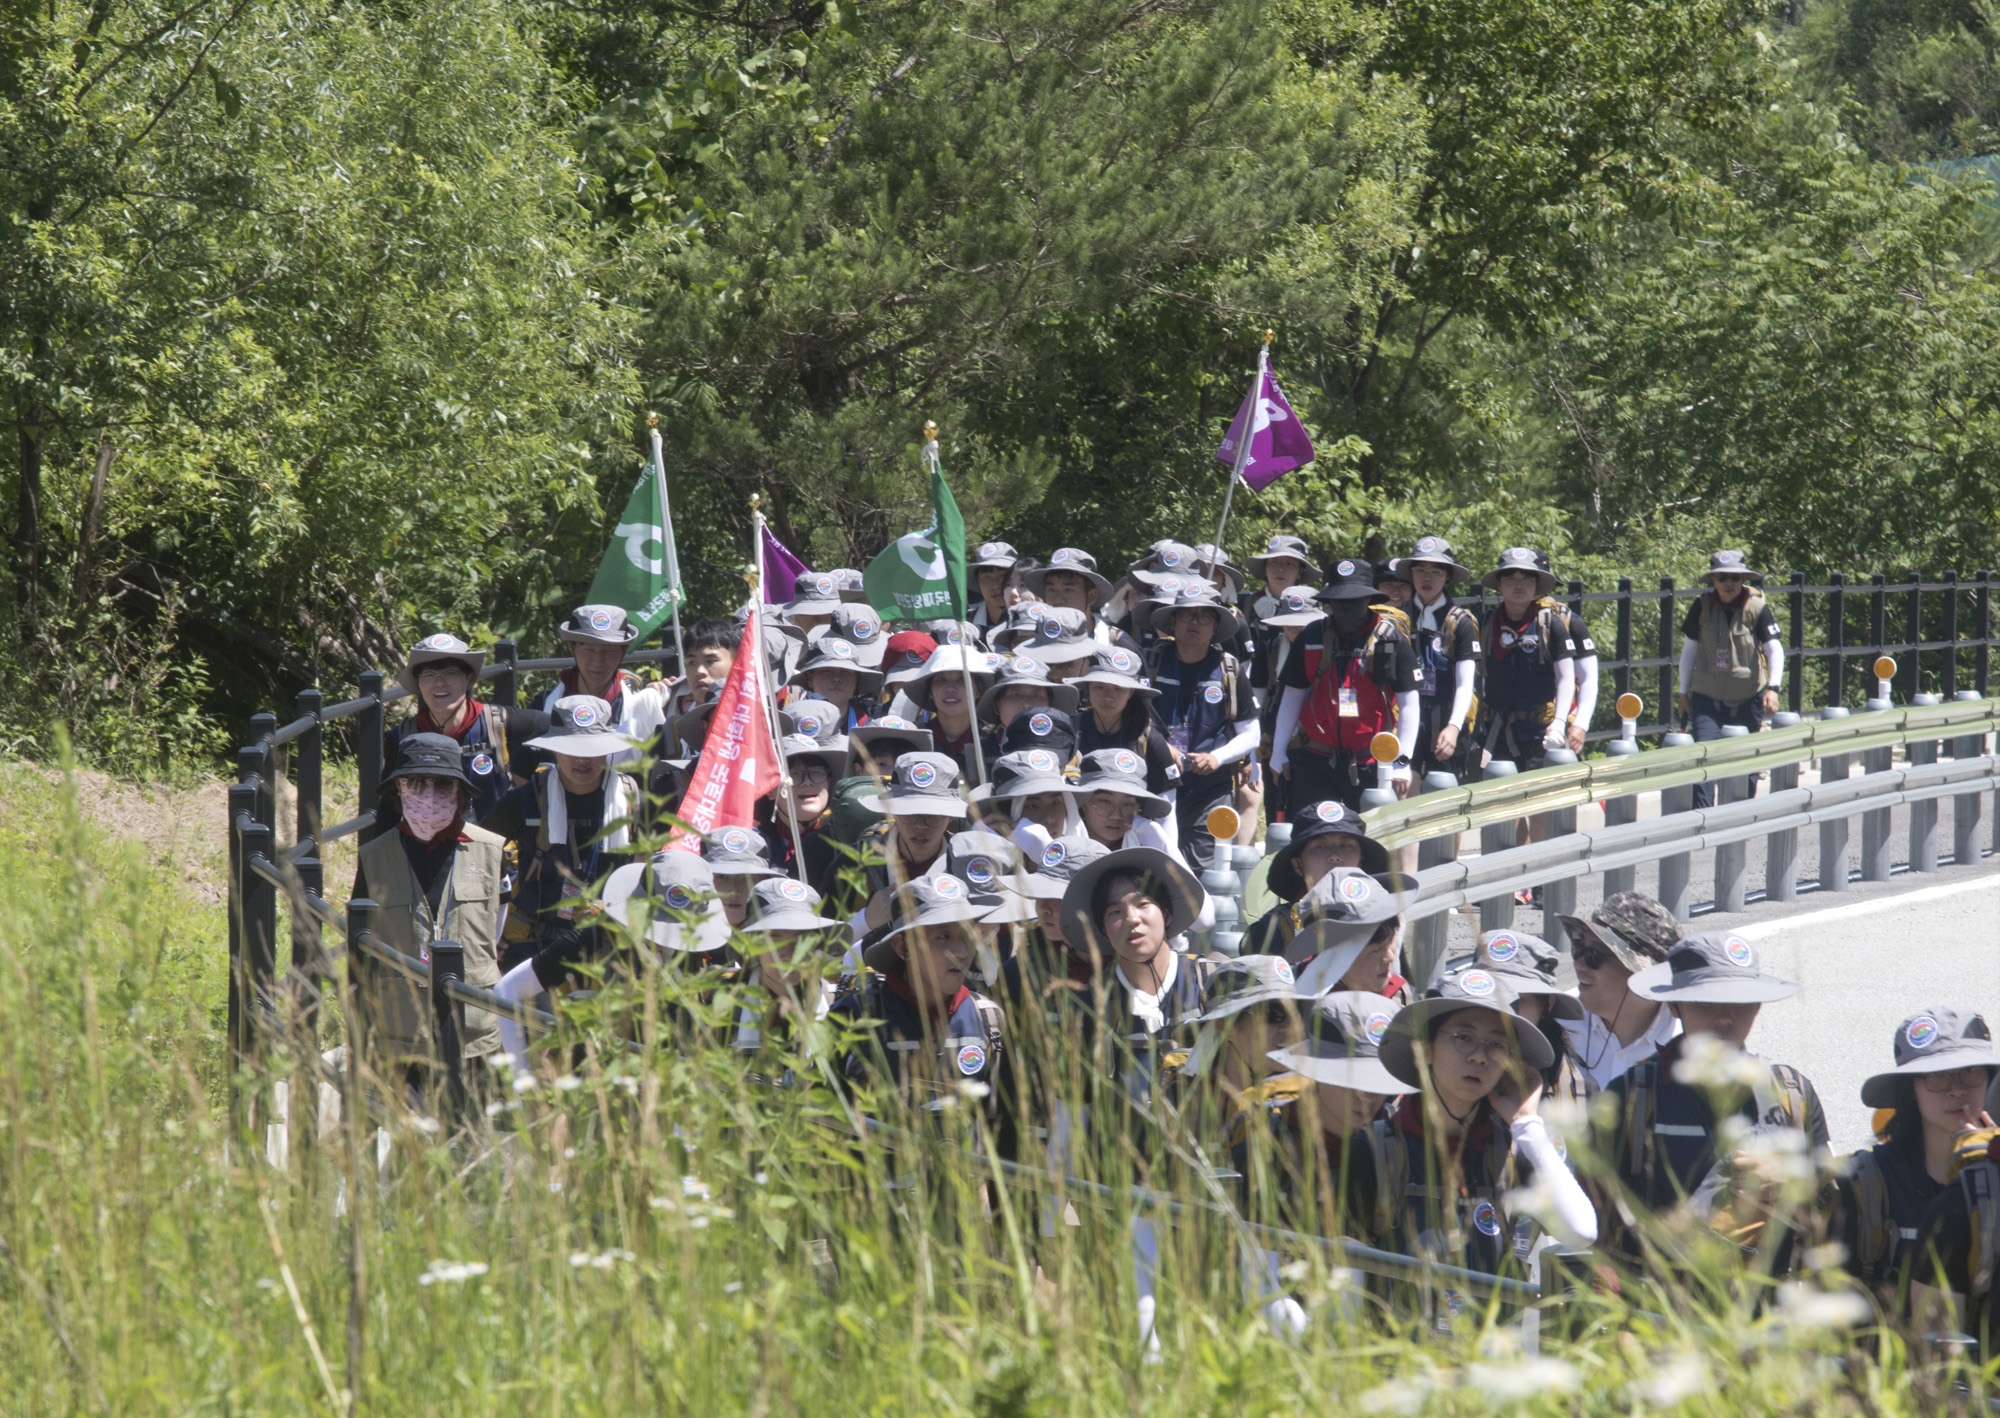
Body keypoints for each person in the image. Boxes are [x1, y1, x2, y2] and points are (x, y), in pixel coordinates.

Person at [1350, 966, 1597, 1288]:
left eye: (1496, 1045)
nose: (1480, 1057)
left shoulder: (1516, 1148)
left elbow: (1581, 1232)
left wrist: (1526, 1124)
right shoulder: (1372, 1150)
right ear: (1424, 1049)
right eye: (1463, 1038)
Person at [1593, 932, 1830, 1265]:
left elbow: (1833, 1213)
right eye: (1706, 1002)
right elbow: (1599, 1224)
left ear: (1758, 1006)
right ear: (1674, 1005)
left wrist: (1791, 1181)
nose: (1724, 1016)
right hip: (1661, 1306)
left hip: (1767, 1305)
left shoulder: (1793, 1094)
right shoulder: (1630, 1097)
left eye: (1740, 1001)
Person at [350, 733, 507, 1101]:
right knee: (409, 1142)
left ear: (461, 792)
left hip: (473, 1028)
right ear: (398, 790)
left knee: (472, 1134)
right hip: (400, 1030)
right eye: (416, 783)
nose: (429, 795)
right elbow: (359, 942)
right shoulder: (374, 856)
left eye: (442, 784)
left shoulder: (493, 851)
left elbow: (499, 929)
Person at [492, 849, 732, 1075]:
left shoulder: (704, 956)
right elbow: (507, 990)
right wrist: (521, 1081)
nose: (662, 940)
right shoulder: (598, 938)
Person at [1832, 1010, 1998, 1303]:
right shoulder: (1864, 1182)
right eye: (1937, 1075)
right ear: (1910, 1089)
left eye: (1971, 1072)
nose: (1957, 1088)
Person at [479, 696, 640, 974]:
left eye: (592, 748)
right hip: (536, 945)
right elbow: (478, 852)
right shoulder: (525, 800)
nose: (582, 758)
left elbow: (651, 871)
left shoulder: (631, 801)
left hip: (611, 946)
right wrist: (491, 927)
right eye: (571, 747)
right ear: (553, 749)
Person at [830, 874, 1005, 1113]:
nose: (962, 952)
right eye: (943, 936)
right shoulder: (854, 1019)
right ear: (903, 947)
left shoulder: (987, 1020)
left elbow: (1003, 1127)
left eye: (967, 935)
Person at [1268, 559, 1419, 814]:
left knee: (1370, 839)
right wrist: (1278, 751)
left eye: (1355, 600)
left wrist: (1402, 760)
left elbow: (1409, 703)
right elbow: (1292, 695)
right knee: (1312, 832)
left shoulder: (1390, 637)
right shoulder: (1312, 636)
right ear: (1329, 602)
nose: (1347, 608)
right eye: (1340, 601)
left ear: (1368, 600)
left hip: (1374, 761)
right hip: (1317, 758)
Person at [1147, 585, 1259, 872]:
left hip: (1210, 787)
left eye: (1204, 616)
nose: (1194, 622)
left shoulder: (1229, 670)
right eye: (1186, 615)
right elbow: (1134, 717)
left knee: (1204, 870)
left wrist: (1217, 758)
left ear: (1216, 626)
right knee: (1156, 867)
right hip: (1154, 785)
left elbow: (1251, 733)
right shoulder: (1151, 663)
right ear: (1172, 622)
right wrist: (1163, 748)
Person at [388, 633, 551, 819]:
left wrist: (524, 779)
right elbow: (388, 807)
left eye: (451, 673)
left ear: (470, 679)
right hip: (430, 843)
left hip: (494, 844)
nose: (440, 683)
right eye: (429, 675)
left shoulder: (498, 723)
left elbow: (556, 729)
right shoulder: (402, 737)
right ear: (418, 683)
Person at [1678, 550, 1784, 809]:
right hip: (1707, 697)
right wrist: (1682, 693)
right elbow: (1689, 650)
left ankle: (1741, 816)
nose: (1729, 583)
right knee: (1704, 758)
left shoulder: (1756, 607)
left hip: (1748, 697)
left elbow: (1774, 648)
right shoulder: (1701, 607)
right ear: (1713, 581)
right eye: (1722, 577)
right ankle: (1702, 820)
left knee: (1747, 762)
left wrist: (1774, 689)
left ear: (1743, 580)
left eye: (1735, 578)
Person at [1553, 894, 1683, 1092]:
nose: (1579, 964)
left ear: (1645, 973)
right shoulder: (1554, 1031)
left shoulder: (1689, 1044)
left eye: (1595, 954)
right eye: (1578, 948)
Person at [1445, 930, 1586, 1104]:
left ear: (1547, 1004)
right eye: (1492, 996)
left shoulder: (1576, 1089)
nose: (1501, 1010)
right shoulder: (1442, 1073)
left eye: (1517, 1000)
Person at [1474, 548, 1576, 784]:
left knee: (1539, 802)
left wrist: (1560, 723)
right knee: (1502, 800)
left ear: (1537, 584)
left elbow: (1566, 677)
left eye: (1527, 578)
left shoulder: (1551, 625)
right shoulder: (1484, 625)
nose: (1518, 585)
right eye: (1510, 578)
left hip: (1540, 731)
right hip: (1496, 730)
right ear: (1499, 585)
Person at [1241, 800, 1388, 959]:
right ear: (1298, 864)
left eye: (1346, 846)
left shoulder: (1382, 918)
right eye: (1321, 847)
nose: (1335, 857)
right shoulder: (1272, 931)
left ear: (1361, 860)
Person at [531, 605, 671, 769]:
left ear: (623, 651)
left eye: (609, 651)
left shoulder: (642, 708)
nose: (598, 661)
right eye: (588, 650)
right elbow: (524, 773)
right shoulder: (544, 705)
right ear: (572, 647)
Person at [733, 877, 851, 1071]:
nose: (788, 954)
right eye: (774, 939)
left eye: (802, 939)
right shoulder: (722, 1002)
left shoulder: (842, 1007)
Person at [849, 752, 970, 938]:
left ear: (951, 815)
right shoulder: (855, 863)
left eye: (933, 815)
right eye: (909, 812)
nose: (920, 825)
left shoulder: (967, 863)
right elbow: (821, 951)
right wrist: (864, 921)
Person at [1400, 537, 1480, 784]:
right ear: (1411, 574)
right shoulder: (1398, 617)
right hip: (1404, 717)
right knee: (1404, 787)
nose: (1427, 578)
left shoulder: (1460, 622)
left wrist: (1454, 726)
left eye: (1436, 571)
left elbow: (1466, 684)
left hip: (1446, 717)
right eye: (1420, 570)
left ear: (1447, 576)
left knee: (1441, 789)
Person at [1247, 585, 1324, 822]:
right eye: (1289, 622)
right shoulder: (1268, 651)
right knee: (1276, 815)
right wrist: (1252, 756)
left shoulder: (1328, 651)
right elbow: (1254, 705)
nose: (1295, 629)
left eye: (1302, 624)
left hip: (1316, 747)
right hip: (1273, 746)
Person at [1071, 645, 1179, 798]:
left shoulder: (1149, 739)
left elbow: (1167, 805)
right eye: (1099, 687)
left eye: (1118, 689)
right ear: (1088, 689)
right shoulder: (1070, 730)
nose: (1108, 696)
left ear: (1131, 692)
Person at [758, 733, 848, 895]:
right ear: (771, 790)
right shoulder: (757, 844)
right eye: (793, 775)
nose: (808, 781)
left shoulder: (847, 840)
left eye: (816, 772)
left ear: (829, 782)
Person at [1534, 549, 1599, 756]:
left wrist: (1580, 724)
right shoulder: (1498, 621)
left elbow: (1589, 677)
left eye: (1535, 579)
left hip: (1561, 724)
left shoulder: (1568, 621)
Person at [903, 644, 994, 768]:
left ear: (979, 689)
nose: (950, 689)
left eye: (962, 679)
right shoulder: (916, 740)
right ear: (930, 691)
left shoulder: (994, 740)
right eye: (941, 680)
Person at [786, 637, 881, 730]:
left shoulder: (865, 726)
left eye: (845, 672)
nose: (837, 678)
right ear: (809, 679)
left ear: (855, 680)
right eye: (827, 671)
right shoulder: (790, 720)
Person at [701, 824, 783, 929]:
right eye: (722, 876)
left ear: (764, 882)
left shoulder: (782, 941)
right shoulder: (679, 939)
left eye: (748, 879)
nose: (734, 891)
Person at [681, 619, 741, 701]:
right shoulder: (669, 711)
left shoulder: (757, 710)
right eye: (692, 662)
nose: (699, 671)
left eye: (710, 661)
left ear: (737, 663)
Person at [969, 541, 1020, 635]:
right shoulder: (966, 625)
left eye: (1003, 576)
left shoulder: (1034, 620)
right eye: (987, 578)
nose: (995, 585)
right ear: (977, 582)